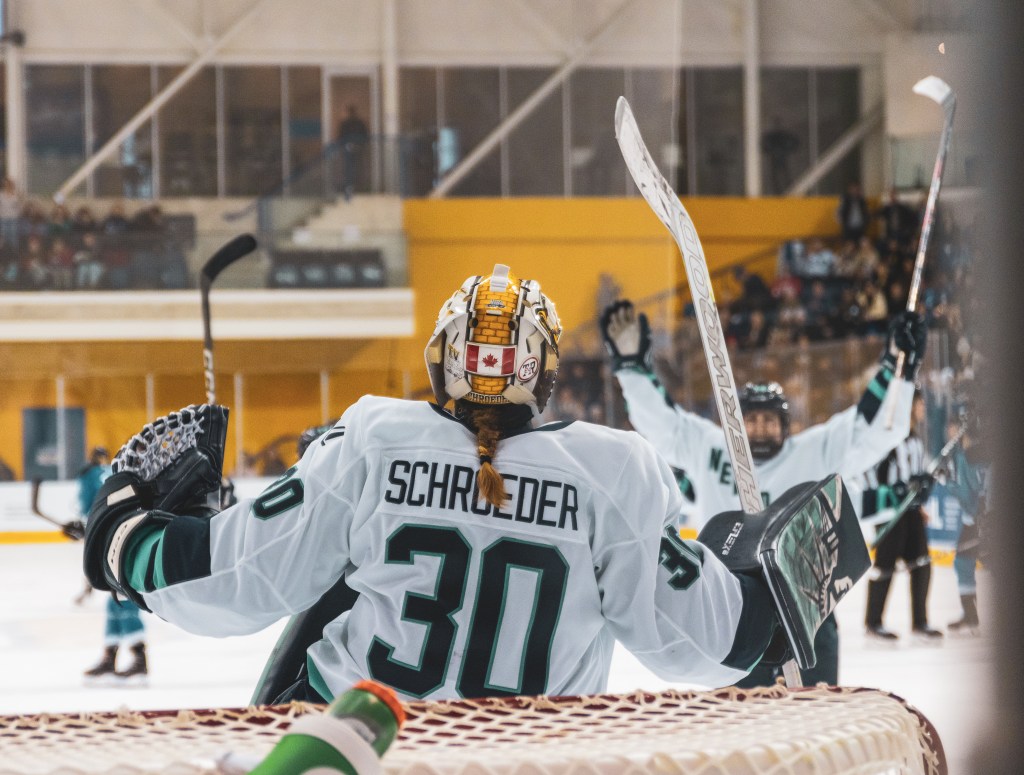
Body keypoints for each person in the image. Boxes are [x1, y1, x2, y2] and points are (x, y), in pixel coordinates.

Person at [81, 265, 859, 704]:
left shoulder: (375, 440)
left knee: (334, 589)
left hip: (363, 749)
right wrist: (767, 593)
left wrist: (124, 543)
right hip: (531, 759)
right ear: (544, 373)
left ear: (442, 358)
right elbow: (699, 645)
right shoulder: (611, 470)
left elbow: (240, 578)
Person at [599, 300, 923, 686]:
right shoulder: (711, 449)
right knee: (741, 719)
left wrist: (898, 368)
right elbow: (664, 424)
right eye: (752, 420)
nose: (762, 428)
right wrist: (631, 367)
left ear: (786, 425)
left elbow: (871, 427)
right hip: (731, 610)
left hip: (808, 611)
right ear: (736, 423)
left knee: (816, 716)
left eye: (770, 420)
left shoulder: (813, 452)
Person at [857, 392, 943, 642]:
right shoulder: (887, 437)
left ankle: (920, 622)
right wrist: (893, 493)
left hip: (911, 512)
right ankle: (873, 623)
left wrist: (922, 489)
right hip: (890, 513)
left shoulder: (914, 437)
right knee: (885, 565)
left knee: (922, 563)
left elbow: (916, 474)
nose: (923, 407)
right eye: (919, 402)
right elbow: (871, 472)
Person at [79, 446, 149, 685]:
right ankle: (111, 656)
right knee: (115, 600)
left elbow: (87, 509)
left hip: (113, 542)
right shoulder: (125, 473)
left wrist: (86, 530)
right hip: (128, 536)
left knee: (123, 598)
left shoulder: (89, 475)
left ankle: (139, 659)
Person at [337, 104, 369, 200]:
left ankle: (351, 187)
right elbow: (365, 135)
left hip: (351, 148)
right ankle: (353, 186)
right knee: (354, 168)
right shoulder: (357, 123)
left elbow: (341, 136)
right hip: (355, 148)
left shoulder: (350, 123)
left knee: (350, 168)